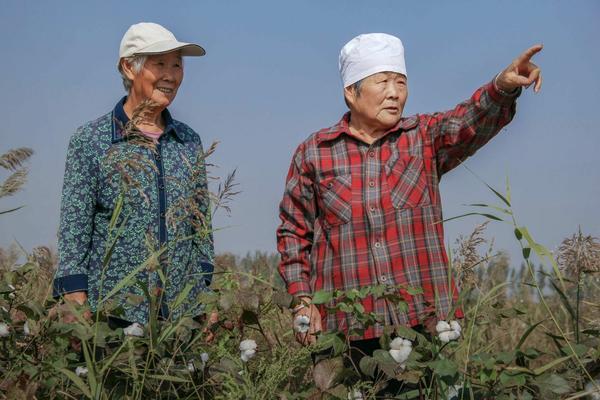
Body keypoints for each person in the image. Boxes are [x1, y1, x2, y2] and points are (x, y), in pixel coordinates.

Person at [277, 33, 542, 348]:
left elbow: (468, 121)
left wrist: (502, 86)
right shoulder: (315, 152)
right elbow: (293, 232)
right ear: (351, 92)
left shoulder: (424, 138)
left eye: (401, 83)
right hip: (347, 328)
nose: (394, 94)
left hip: (425, 323)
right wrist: (302, 301)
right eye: (383, 82)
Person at [53, 22, 216, 332]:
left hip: (180, 317)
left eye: (177, 64)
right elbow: (74, 228)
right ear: (129, 67)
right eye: (160, 64)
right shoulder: (92, 140)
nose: (171, 75)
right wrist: (74, 296)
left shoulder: (188, 141)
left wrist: (205, 296)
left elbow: (201, 231)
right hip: (113, 315)